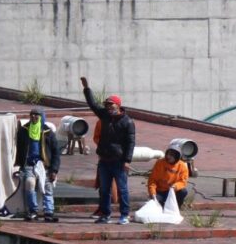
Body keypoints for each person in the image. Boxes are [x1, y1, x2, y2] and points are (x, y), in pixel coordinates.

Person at [81, 77, 135, 225]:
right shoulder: (104, 116)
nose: (108, 107)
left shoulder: (127, 122)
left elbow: (131, 143)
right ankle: (105, 214)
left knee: (122, 189)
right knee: (104, 190)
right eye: (107, 105)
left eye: (111, 105)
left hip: (118, 162)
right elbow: (93, 104)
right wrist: (87, 88)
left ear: (118, 106)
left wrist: (127, 161)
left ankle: (124, 215)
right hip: (104, 160)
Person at [15, 107, 61, 222]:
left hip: (45, 166)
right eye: (32, 115)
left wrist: (54, 170)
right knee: (30, 183)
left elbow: (56, 152)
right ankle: (33, 211)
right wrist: (19, 163)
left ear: (41, 117)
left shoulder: (48, 132)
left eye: (37, 115)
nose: (34, 117)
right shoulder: (24, 130)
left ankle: (49, 212)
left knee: (48, 187)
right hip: (30, 164)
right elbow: (18, 148)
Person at [90, 118, 119, 219]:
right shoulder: (101, 122)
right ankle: (103, 209)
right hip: (104, 157)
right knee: (103, 185)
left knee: (121, 186)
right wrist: (104, 145)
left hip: (118, 157)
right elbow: (96, 137)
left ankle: (124, 212)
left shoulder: (122, 121)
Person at [147, 141, 190, 208]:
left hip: (172, 191)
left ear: (176, 157)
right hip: (160, 191)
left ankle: (176, 208)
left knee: (183, 191)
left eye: (171, 156)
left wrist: (175, 186)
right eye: (168, 154)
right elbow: (152, 180)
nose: (168, 157)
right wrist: (152, 193)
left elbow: (183, 182)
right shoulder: (160, 163)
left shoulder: (182, 166)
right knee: (155, 204)